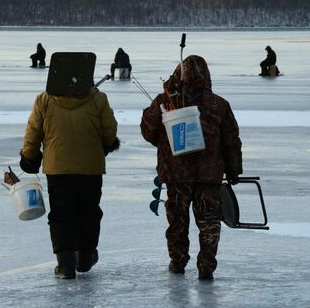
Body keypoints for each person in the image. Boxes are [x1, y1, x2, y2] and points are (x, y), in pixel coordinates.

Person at [140, 55, 243, 280]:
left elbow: (148, 132)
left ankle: (177, 262)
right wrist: (234, 171)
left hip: (177, 175)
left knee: (177, 221)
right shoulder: (219, 104)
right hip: (209, 175)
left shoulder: (165, 101)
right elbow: (231, 142)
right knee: (209, 223)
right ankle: (206, 266)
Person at [19, 75, 119, 279]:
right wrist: (107, 144)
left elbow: (33, 131)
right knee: (88, 212)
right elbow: (109, 130)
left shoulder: (44, 99)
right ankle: (84, 258)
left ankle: (66, 266)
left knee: (61, 215)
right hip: (90, 167)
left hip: (58, 169)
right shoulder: (98, 99)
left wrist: (29, 156)